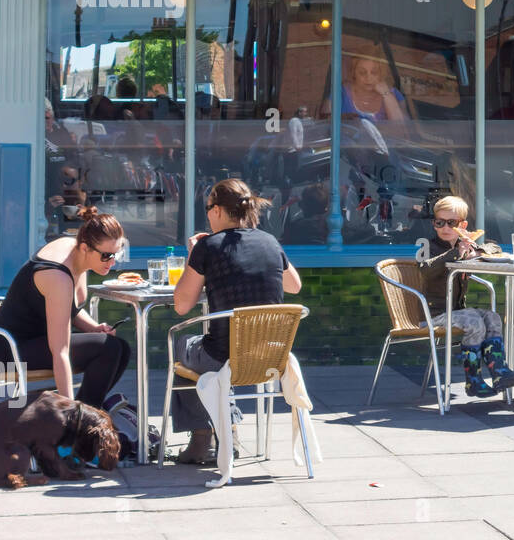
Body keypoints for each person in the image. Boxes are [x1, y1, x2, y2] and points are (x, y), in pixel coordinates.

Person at [169, 178, 303, 464]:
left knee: (183, 346)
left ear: (217, 210)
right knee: (218, 353)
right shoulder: (269, 241)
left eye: (207, 208)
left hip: (223, 357)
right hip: (270, 357)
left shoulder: (209, 247)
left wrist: (194, 254)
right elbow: (294, 286)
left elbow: (181, 306)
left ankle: (203, 438)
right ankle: (224, 431)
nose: (206, 214)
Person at [0, 208, 132, 409]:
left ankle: (87, 414)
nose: (112, 262)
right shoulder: (58, 277)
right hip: (10, 349)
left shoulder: (76, 252)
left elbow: (70, 309)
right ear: (85, 248)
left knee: (121, 348)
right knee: (108, 348)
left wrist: (94, 327)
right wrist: (68, 406)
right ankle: (76, 420)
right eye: (106, 255)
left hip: (36, 340)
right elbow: (60, 352)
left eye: (117, 254)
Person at [418, 195, 514, 398]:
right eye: (439, 222)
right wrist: (454, 253)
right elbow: (426, 269)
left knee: (492, 317)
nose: (444, 227)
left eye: (451, 223)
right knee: (474, 321)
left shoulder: (464, 243)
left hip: (456, 312)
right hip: (432, 314)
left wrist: (475, 250)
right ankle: (474, 381)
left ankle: (500, 373)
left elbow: (494, 247)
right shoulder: (428, 245)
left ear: (463, 225)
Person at [322, 56, 407, 123]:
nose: (368, 78)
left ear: (381, 74)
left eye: (374, 72)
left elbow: (402, 129)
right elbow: (325, 124)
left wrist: (386, 94)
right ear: (353, 73)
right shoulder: (340, 92)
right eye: (362, 73)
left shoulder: (394, 93)